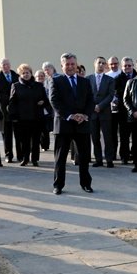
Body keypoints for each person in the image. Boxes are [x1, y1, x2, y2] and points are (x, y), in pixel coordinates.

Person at [49, 52, 94, 195]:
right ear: (62, 66)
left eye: (72, 64)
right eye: (67, 64)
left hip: (82, 124)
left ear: (77, 65)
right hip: (64, 125)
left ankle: (86, 184)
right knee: (60, 158)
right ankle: (58, 185)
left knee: (84, 157)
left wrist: (84, 115)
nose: (70, 67)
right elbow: (54, 101)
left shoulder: (85, 82)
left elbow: (90, 101)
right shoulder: (56, 81)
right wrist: (70, 116)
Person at [8, 63, 48, 166]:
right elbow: (12, 102)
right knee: (24, 140)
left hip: (36, 117)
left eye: (28, 72)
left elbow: (45, 99)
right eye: (23, 73)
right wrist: (14, 116)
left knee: (35, 140)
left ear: (31, 73)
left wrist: (42, 102)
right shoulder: (16, 86)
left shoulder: (38, 85)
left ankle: (34, 159)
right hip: (22, 118)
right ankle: (25, 158)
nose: (26, 75)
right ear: (20, 75)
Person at [88, 56, 115, 167]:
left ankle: (109, 159)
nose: (101, 65)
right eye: (99, 62)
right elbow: (86, 95)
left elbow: (110, 95)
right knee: (95, 137)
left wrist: (100, 105)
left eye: (103, 63)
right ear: (95, 63)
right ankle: (98, 159)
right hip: (92, 112)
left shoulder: (110, 80)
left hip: (105, 112)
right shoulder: (88, 79)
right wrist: (93, 106)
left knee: (108, 136)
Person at [0, 58, 18, 162]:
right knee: (6, 135)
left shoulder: (17, 76)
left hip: (15, 110)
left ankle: (21, 155)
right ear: (0, 67)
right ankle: (8, 155)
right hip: (4, 111)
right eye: (3, 65)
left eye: (7, 64)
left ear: (10, 65)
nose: (6, 66)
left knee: (18, 134)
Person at [113, 57, 137, 164]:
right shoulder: (117, 79)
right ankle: (124, 156)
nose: (127, 67)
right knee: (124, 136)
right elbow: (117, 93)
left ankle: (135, 155)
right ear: (121, 67)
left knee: (136, 135)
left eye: (129, 65)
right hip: (123, 111)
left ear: (133, 66)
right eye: (125, 66)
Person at [34, 69, 53, 152]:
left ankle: (45, 145)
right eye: (38, 76)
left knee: (46, 129)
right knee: (37, 129)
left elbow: (51, 98)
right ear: (35, 77)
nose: (40, 78)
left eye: (42, 76)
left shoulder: (47, 86)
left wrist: (44, 102)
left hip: (46, 110)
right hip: (36, 110)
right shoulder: (33, 87)